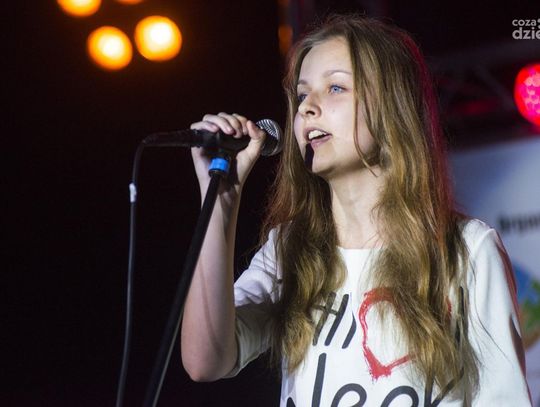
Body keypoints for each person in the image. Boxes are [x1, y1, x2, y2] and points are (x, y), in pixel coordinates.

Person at [180, 14, 531, 406]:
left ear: (391, 107)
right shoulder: (290, 249)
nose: (307, 109)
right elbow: (204, 361)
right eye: (301, 96)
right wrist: (220, 201)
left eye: (335, 87)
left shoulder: (467, 249)